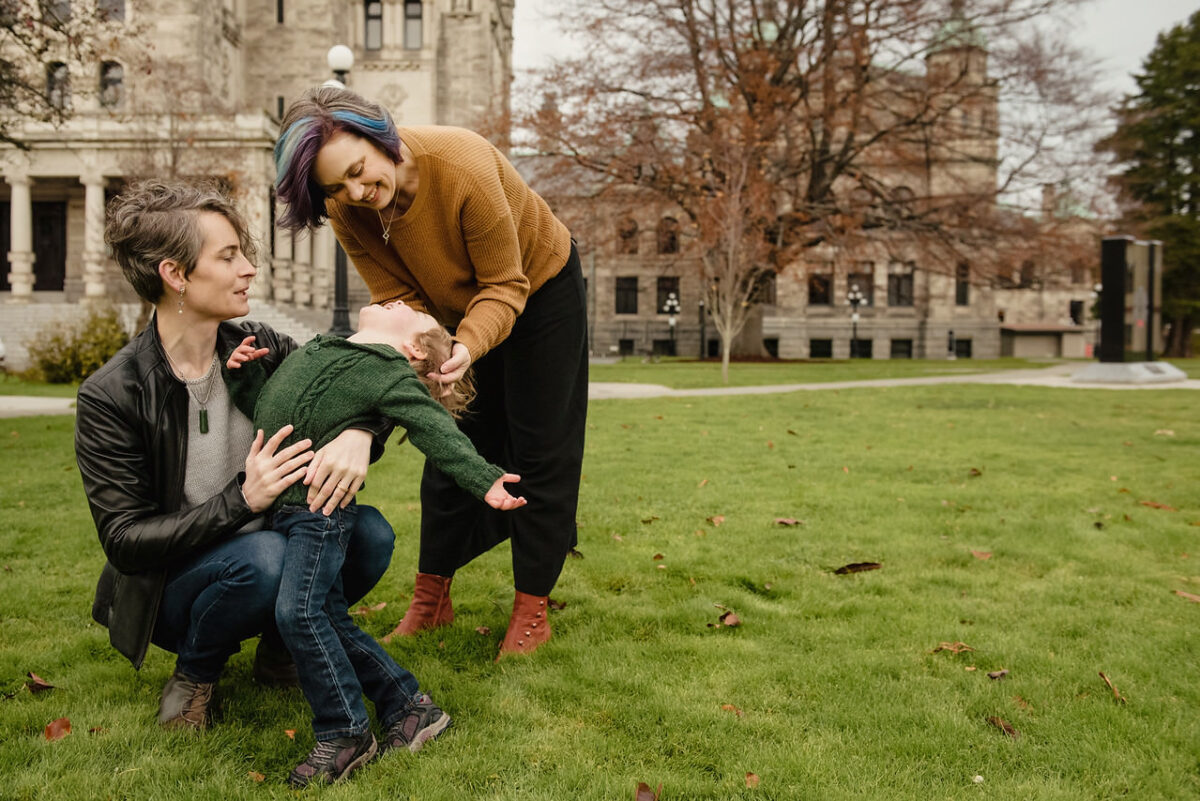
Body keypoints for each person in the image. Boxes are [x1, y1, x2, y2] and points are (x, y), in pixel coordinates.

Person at [274, 85, 588, 658]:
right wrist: (424, 363)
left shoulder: (461, 165)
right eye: (334, 188)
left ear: (379, 136)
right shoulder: (350, 208)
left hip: (539, 290)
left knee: (543, 447)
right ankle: (431, 599)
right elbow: (395, 294)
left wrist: (466, 344)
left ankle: (531, 609)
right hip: (446, 313)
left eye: (358, 171)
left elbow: (504, 285)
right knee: (447, 437)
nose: (354, 193)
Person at [74, 180, 395, 731]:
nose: (249, 268)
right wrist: (243, 499)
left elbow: (363, 382)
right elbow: (127, 542)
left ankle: (280, 649)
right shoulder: (113, 393)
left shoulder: (262, 343)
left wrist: (361, 433)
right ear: (175, 275)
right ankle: (194, 674)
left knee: (369, 535)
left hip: (273, 548)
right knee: (265, 558)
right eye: (228, 257)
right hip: (176, 589)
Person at [234, 300, 526, 787]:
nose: (400, 299)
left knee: (298, 614)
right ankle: (410, 709)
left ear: (413, 348)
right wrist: (244, 378)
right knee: (324, 616)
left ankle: (344, 731)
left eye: (413, 311)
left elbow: (436, 431)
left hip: (319, 512)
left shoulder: (391, 373)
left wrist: (484, 479)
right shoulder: (320, 349)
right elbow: (272, 411)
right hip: (279, 508)